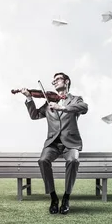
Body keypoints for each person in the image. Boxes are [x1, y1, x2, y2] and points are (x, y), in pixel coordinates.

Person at [21, 72, 88, 215]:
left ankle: (66, 197)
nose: (55, 82)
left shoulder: (76, 99)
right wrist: (29, 97)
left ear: (67, 81)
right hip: (52, 143)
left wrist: (62, 108)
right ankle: (53, 197)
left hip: (70, 143)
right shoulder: (48, 103)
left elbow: (84, 108)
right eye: (53, 81)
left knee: (73, 160)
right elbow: (34, 115)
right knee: (43, 160)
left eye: (57, 79)